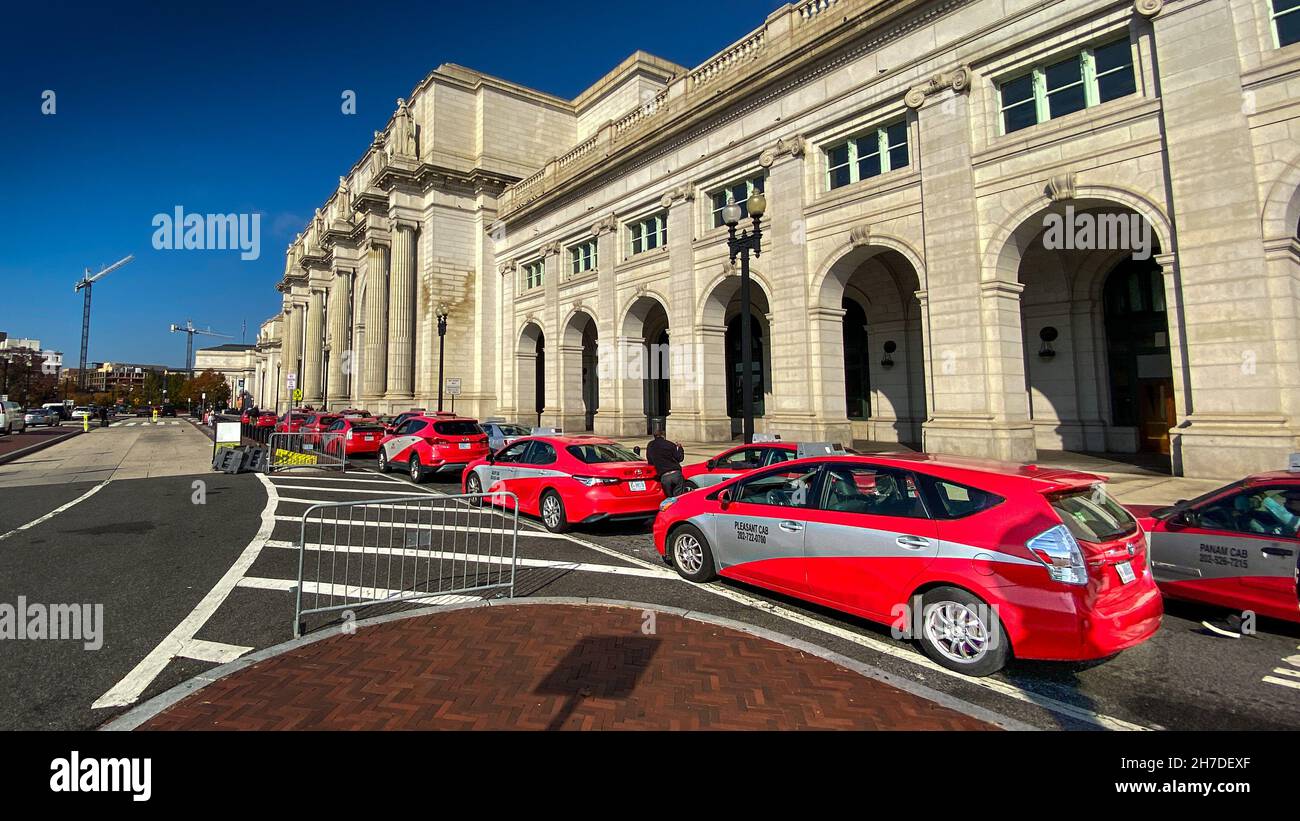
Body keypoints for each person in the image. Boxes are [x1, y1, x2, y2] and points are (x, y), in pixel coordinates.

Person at [1201, 487, 1300, 638]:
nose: (1286, 504)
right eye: (1286, 500)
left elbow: (1295, 524)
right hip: (1284, 565)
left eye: (1291, 501)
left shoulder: (1293, 521)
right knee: (1259, 587)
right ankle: (1241, 620)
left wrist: (1266, 501)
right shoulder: (1286, 523)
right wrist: (1246, 517)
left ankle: (1240, 622)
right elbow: (1270, 530)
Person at [646, 426, 686, 498]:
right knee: (679, 497)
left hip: (664, 476)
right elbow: (679, 458)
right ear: (663, 435)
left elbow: (650, 461)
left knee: (669, 499)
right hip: (676, 473)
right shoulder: (670, 444)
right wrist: (680, 448)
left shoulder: (650, 445)